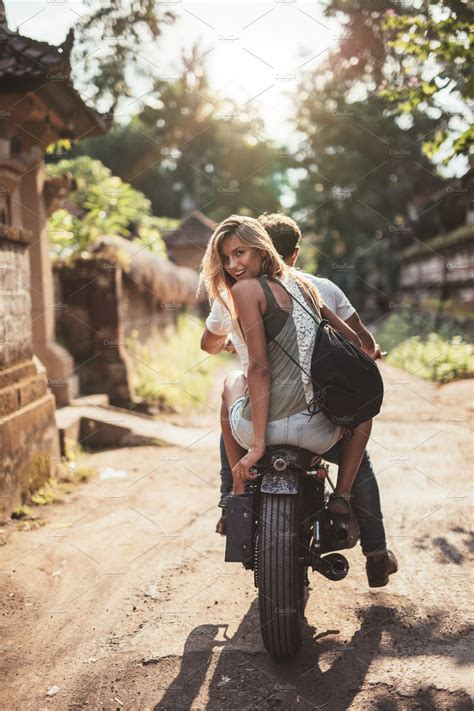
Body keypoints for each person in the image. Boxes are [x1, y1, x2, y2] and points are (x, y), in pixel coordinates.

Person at [201, 213, 398, 587]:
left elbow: (258, 370)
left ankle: (233, 494)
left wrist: (258, 446)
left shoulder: (239, 293)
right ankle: (357, 520)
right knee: (360, 429)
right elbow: (357, 346)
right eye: (227, 258)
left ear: (262, 248)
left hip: (261, 425)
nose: (232, 265)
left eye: (239, 253)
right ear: (295, 252)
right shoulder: (310, 287)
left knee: (232, 384)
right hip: (316, 430)